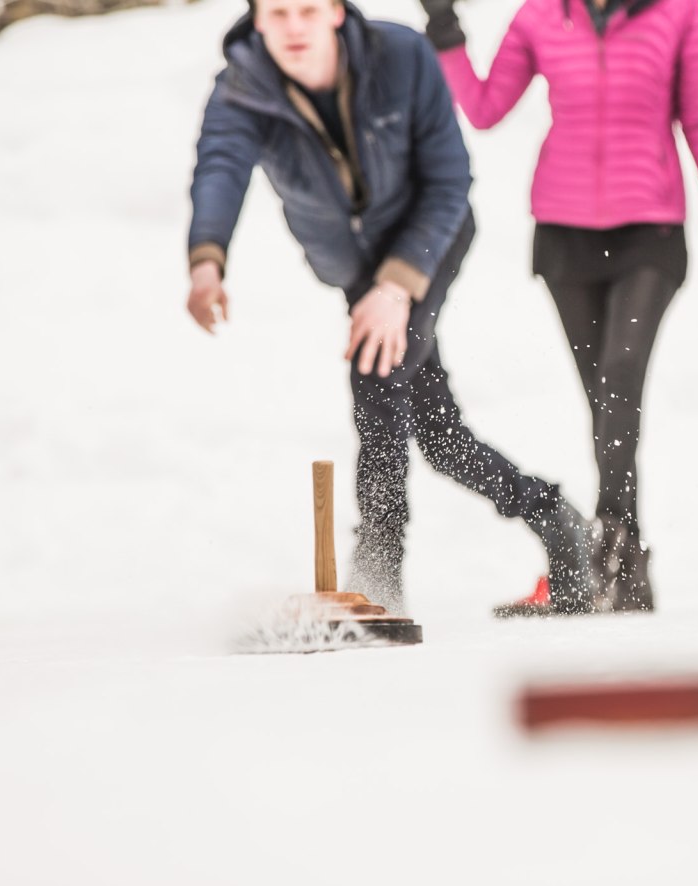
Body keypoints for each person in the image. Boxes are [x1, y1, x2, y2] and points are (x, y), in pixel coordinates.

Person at [186, 0, 597, 615]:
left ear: (333, 10)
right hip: (355, 267)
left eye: (305, 10)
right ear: (256, 20)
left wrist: (398, 286)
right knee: (437, 435)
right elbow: (221, 165)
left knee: (376, 373)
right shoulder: (244, 86)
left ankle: (377, 567)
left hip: (428, 243)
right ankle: (556, 521)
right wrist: (207, 259)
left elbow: (450, 179)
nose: (293, 27)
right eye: (277, 13)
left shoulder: (400, 55)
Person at [416, 0, 698, 614]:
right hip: (565, 237)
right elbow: (485, 109)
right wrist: (446, 31)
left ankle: (610, 546)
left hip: (651, 232)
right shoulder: (541, 14)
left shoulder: (678, 14)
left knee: (621, 375)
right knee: (603, 398)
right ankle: (627, 557)